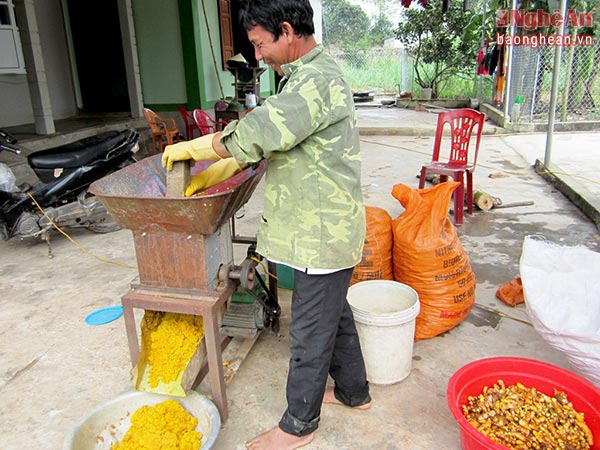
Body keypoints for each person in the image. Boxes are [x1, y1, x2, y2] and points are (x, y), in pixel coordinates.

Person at [161, 1, 371, 448]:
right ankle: (355, 393)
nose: (258, 57)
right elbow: (278, 138)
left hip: (322, 232)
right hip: (326, 227)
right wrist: (229, 161)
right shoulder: (308, 76)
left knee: (310, 330)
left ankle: (299, 424)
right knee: (336, 314)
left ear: (288, 31)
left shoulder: (317, 81)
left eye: (260, 45)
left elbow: (262, 130)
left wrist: (203, 149)